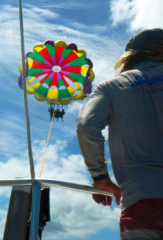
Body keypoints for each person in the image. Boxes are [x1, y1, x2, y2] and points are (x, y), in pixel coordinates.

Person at [76, 28, 163, 239]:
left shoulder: (110, 87)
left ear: (129, 56)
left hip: (142, 200)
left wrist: (100, 177)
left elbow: (86, 125)